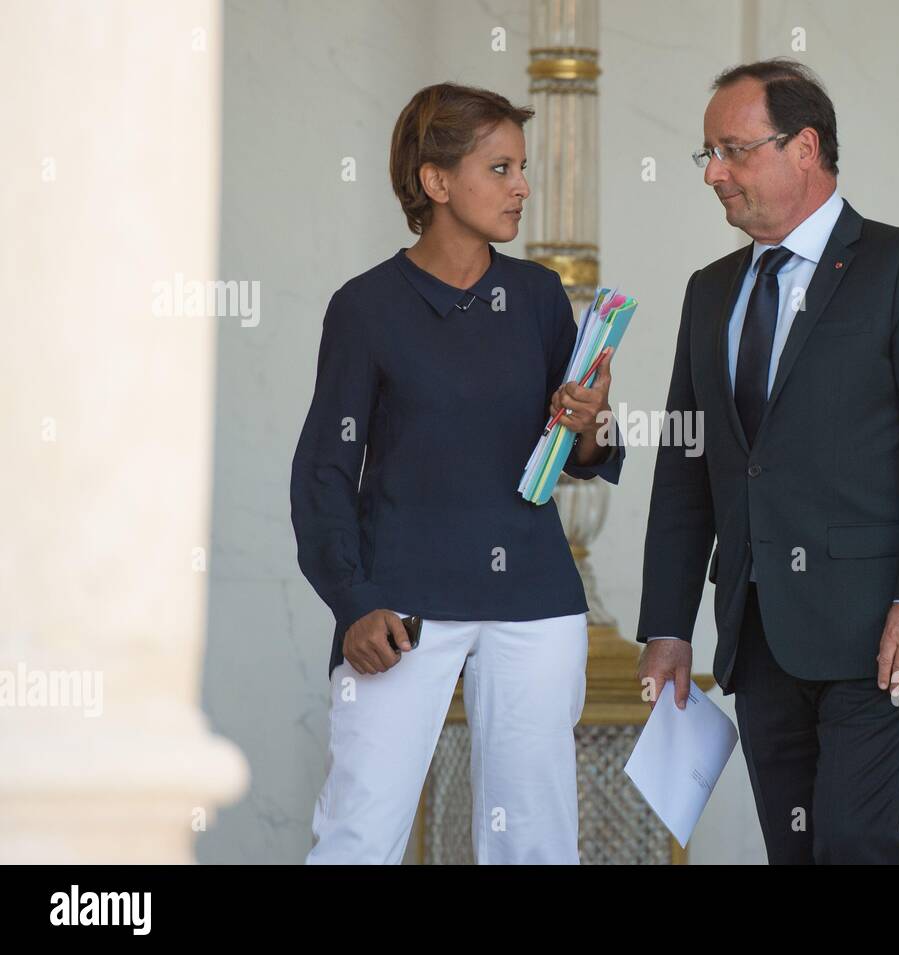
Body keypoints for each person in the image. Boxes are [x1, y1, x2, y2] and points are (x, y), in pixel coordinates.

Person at [636, 59, 899, 864]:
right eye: (706, 155)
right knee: (794, 850)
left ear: (805, 147)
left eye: (733, 150)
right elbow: (688, 469)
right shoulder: (708, 290)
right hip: (758, 636)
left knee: (854, 841)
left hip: (884, 631)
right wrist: (667, 625)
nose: (714, 174)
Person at [290, 82, 623, 864]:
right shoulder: (366, 307)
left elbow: (577, 456)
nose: (523, 187)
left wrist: (589, 424)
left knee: (534, 839)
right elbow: (323, 473)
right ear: (436, 182)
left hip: (534, 599)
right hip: (400, 609)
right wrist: (355, 601)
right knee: (359, 832)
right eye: (500, 167)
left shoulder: (540, 295)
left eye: (524, 167)